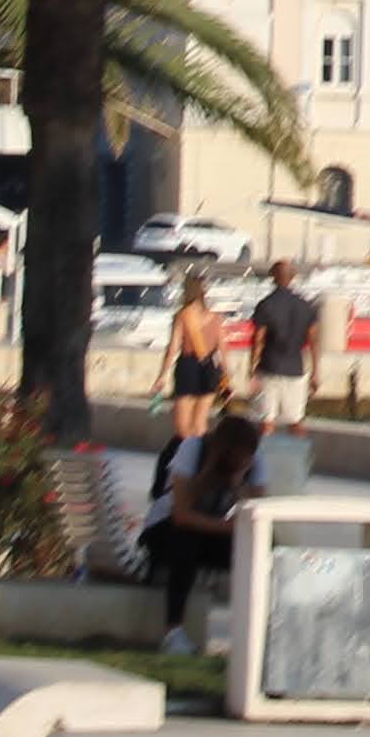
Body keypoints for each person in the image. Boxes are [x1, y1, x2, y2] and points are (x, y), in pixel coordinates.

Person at [144, 417, 265, 649]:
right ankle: (173, 631)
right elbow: (181, 514)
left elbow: (258, 513)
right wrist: (209, 469)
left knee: (257, 547)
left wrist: (237, 484)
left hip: (210, 531)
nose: (243, 460)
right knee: (186, 540)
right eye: (236, 455)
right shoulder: (193, 448)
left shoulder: (255, 459)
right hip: (164, 531)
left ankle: (254, 633)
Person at [243, 260, 326, 428]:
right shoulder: (305, 306)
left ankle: (265, 445)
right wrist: (316, 372)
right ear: (293, 277)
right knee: (295, 421)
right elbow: (314, 342)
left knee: (266, 422)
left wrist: (252, 370)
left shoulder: (265, 305)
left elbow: (258, 340)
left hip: (269, 368)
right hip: (295, 369)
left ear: (273, 277)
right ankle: (299, 445)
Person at [163, 269, 225, 443]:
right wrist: (226, 375)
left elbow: (173, 347)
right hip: (211, 368)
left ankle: (187, 457)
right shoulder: (215, 317)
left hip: (188, 366)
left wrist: (162, 375)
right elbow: (222, 348)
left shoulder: (183, 315)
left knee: (183, 427)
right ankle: (202, 456)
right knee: (200, 424)